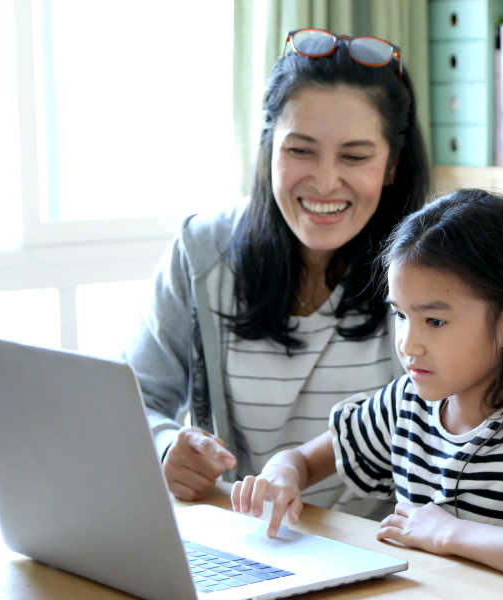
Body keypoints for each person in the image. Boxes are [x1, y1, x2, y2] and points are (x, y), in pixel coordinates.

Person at [230, 189, 503, 594]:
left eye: (434, 321)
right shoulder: (404, 406)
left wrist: (450, 533)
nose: (408, 344)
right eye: (400, 315)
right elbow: (301, 461)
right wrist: (280, 477)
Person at [124, 28, 429, 518]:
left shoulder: (433, 271)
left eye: (355, 156)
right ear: (269, 147)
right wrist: (164, 445)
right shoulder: (202, 251)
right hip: (241, 542)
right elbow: (133, 398)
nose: (325, 182)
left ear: (392, 165)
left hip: (380, 552)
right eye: (300, 150)